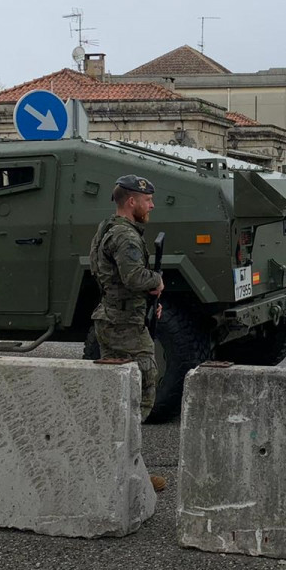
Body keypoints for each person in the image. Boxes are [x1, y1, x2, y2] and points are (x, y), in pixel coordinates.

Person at [89, 174, 166, 492]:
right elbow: (134, 277)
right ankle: (126, 471)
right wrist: (156, 282)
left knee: (120, 397)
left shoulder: (108, 228)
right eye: (147, 200)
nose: (151, 205)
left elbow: (112, 277)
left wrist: (147, 302)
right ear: (131, 201)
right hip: (124, 327)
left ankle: (119, 468)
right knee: (141, 392)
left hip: (117, 318)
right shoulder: (125, 236)